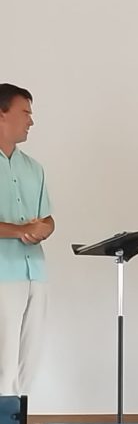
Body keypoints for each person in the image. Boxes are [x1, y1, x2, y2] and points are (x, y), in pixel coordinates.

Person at [0, 84, 54, 395]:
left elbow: (47, 217)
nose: (31, 121)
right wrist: (20, 231)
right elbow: (22, 228)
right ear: (2, 114)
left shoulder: (33, 168)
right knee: (3, 363)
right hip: (3, 274)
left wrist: (44, 228)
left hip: (35, 273)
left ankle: (16, 421)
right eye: (25, 113)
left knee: (28, 364)